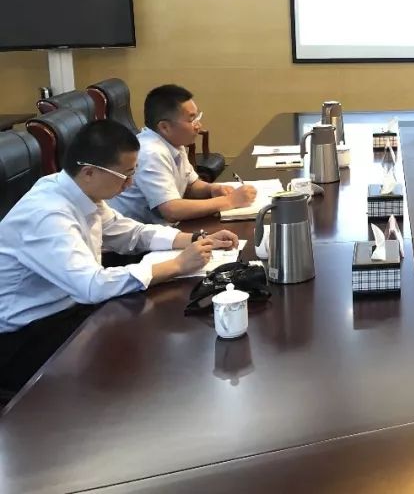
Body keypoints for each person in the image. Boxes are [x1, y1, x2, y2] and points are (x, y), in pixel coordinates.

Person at [0, 120, 239, 394]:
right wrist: (176, 265)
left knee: (153, 335)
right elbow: (92, 285)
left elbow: (131, 234)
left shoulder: (77, 191)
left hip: (67, 310)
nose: (130, 183)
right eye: (124, 175)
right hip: (24, 337)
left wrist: (196, 239)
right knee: (135, 364)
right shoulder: (48, 215)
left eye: (133, 172)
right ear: (89, 172)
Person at [109, 84, 255, 224]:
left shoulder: (174, 142)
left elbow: (190, 186)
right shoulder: (151, 153)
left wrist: (212, 189)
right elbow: (171, 210)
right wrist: (230, 201)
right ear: (165, 127)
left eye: (197, 118)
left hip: (158, 230)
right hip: (133, 238)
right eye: (192, 120)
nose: (198, 126)